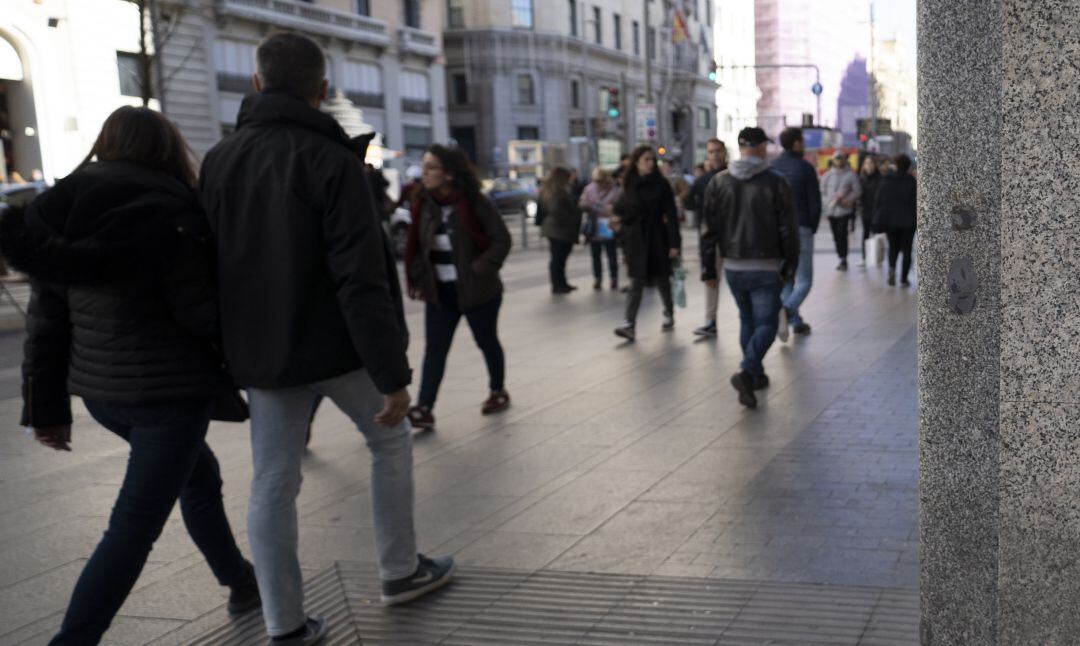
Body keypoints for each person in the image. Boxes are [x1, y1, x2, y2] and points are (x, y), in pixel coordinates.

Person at [199, 33, 454, 644]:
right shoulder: (332, 160)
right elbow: (360, 277)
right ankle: (399, 569)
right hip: (338, 348)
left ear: (255, 83)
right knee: (389, 444)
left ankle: (284, 625)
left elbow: (204, 267)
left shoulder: (219, 160)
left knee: (272, 481)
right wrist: (392, 373)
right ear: (322, 92)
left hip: (263, 355)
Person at [0, 106, 259, 644]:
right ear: (165, 148)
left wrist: (45, 410)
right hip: (169, 394)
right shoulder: (171, 211)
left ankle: (241, 580)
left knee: (199, 477)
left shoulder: (55, 212)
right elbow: (201, 313)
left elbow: (46, 325)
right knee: (133, 528)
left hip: (102, 395)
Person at [404, 144, 512, 431]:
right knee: (435, 350)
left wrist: (479, 270)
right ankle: (424, 407)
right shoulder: (423, 203)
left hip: (479, 292)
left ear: (449, 174)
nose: (423, 173)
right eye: (424, 167)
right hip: (440, 293)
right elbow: (415, 246)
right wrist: (418, 272)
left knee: (486, 341)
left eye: (431, 168)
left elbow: (502, 240)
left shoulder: (475, 202)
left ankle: (498, 391)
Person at [702, 127, 798, 408]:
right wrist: (790, 263)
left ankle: (754, 375)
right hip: (766, 265)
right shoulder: (776, 182)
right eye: (765, 146)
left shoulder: (718, 182)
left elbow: (708, 230)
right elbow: (788, 229)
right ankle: (747, 370)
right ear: (758, 147)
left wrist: (709, 269)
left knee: (747, 319)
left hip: (733, 265)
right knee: (767, 323)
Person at [612, 145, 681, 341]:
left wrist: (674, 244)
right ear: (637, 163)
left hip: (658, 237)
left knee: (661, 279)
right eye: (646, 160)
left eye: (652, 160)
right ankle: (629, 323)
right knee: (636, 281)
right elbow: (622, 210)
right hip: (636, 239)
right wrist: (619, 224)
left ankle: (669, 311)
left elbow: (672, 215)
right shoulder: (630, 184)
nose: (650, 163)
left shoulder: (662, 184)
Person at [771, 127, 822, 339]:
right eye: (802, 140)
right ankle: (787, 309)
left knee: (787, 278)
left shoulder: (772, 167)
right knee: (805, 280)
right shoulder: (805, 168)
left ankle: (795, 321)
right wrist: (811, 226)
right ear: (796, 143)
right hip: (801, 227)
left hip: (778, 230)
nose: (804, 144)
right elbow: (814, 203)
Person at [684, 138, 728, 337]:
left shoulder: (734, 176)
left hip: (734, 234)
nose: (715, 155)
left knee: (744, 278)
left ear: (724, 153)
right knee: (711, 278)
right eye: (711, 152)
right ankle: (710, 320)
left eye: (718, 151)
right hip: (710, 235)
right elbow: (688, 202)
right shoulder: (702, 180)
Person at [873, 153, 918, 286]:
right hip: (908, 221)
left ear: (896, 165)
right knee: (907, 250)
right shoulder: (912, 182)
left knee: (893, 247)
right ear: (908, 166)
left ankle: (892, 269)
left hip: (890, 220)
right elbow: (916, 202)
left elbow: (879, 201)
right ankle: (904, 278)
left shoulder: (886, 180)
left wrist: (876, 218)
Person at [538, 166, 582, 294]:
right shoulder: (557, 191)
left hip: (553, 228)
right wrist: (571, 216)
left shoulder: (549, 189)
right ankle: (558, 285)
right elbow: (556, 209)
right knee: (559, 258)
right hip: (558, 228)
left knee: (558, 258)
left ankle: (560, 283)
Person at [578, 167, 621, 291]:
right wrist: (586, 206)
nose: (599, 183)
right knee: (595, 255)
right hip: (595, 224)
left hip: (608, 224)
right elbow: (581, 203)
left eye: (602, 180)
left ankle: (614, 278)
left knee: (611, 253)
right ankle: (597, 278)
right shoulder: (589, 189)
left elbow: (619, 206)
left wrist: (612, 210)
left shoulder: (614, 190)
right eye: (597, 180)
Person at [820, 150, 861, 270]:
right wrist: (828, 202)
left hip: (844, 211)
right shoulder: (827, 175)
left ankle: (843, 258)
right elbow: (822, 191)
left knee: (842, 233)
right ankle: (840, 256)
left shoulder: (851, 175)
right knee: (836, 235)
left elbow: (857, 191)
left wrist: (847, 200)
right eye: (836, 158)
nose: (839, 161)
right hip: (831, 211)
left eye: (841, 158)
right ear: (833, 160)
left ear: (844, 160)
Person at [857, 155, 883, 268]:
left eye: (871, 163)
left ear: (875, 165)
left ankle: (878, 257)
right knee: (865, 234)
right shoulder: (861, 178)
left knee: (877, 234)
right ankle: (864, 258)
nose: (869, 166)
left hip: (877, 211)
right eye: (867, 163)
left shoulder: (880, 178)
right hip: (866, 211)